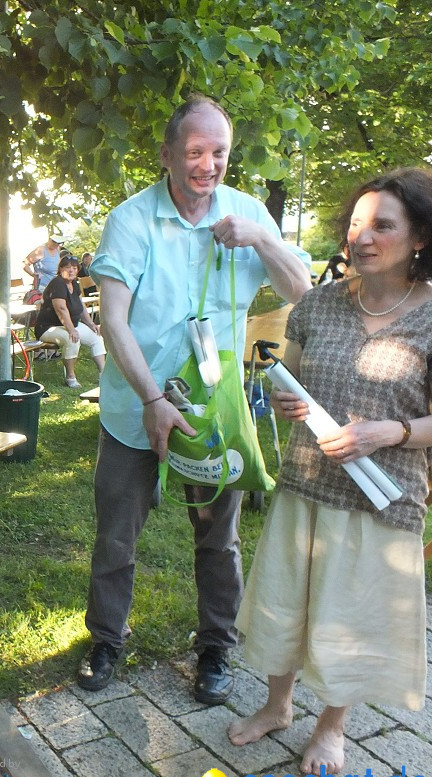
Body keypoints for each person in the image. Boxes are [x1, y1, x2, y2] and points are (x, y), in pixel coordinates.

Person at [76, 94, 311, 704]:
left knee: (218, 536)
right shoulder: (131, 220)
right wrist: (153, 399)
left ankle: (215, 648)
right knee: (117, 535)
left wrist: (260, 237)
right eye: (195, 152)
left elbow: (301, 288)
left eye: (220, 153)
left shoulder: (248, 212)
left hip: (216, 414)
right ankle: (106, 638)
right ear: (168, 156)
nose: (208, 165)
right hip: (137, 410)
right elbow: (114, 320)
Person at [228, 167, 432, 775]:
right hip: (306, 484)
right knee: (286, 601)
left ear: (419, 237)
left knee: (352, 616)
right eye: (355, 224)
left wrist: (389, 432)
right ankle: (276, 705)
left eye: (383, 226)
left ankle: (332, 727)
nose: (362, 238)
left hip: (383, 499)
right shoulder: (316, 304)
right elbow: (285, 378)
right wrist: (285, 400)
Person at [34, 252, 106, 388]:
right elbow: (61, 309)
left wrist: (91, 324)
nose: (71, 270)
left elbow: (81, 306)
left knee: (96, 336)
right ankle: (70, 377)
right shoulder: (57, 283)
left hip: (71, 325)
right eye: (67, 267)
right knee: (72, 338)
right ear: (61, 270)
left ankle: (104, 374)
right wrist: (71, 329)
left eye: (74, 267)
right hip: (48, 328)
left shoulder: (74, 283)